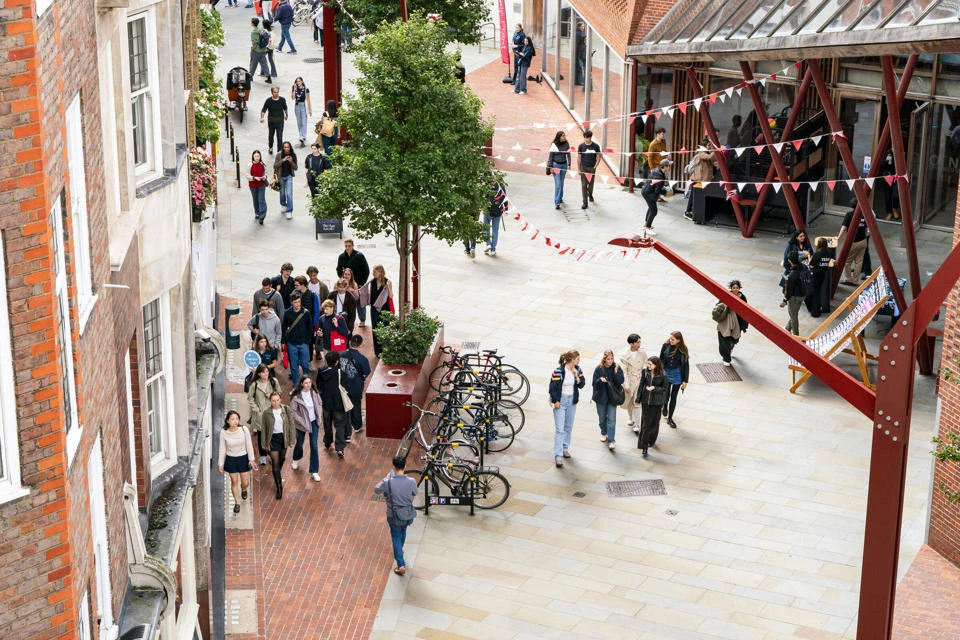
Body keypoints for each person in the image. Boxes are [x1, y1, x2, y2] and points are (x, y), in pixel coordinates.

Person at [373, 456, 419, 576]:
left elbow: (376, 490)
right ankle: (400, 550)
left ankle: (401, 564)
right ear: (405, 466)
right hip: (407, 513)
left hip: (393, 514)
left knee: (396, 537)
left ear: (394, 466)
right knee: (403, 531)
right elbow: (415, 492)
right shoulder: (411, 481)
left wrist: (386, 477)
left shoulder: (388, 482)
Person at [548, 350, 585, 468]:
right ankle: (558, 456)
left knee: (568, 427)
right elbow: (552, 388)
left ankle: (565, 448)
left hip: (572, 401)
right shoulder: (558, 371)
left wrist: (576, 375)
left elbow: (582, 385)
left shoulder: (578, 369)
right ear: (571, 359)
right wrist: (556, 401)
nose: (579, 361)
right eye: (578, 359)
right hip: (561, 401)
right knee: (560, 429)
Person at [218, 410, 258, 514]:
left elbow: (249, 445)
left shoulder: (243, 429)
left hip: (243, 458)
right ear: (227, 421)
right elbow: (222, 448)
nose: (235, 421)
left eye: (237, 419)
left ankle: (243, 490)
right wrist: (220, 464)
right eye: (232, 419)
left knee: (245, 482)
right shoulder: (223, 432)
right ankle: (237, 502)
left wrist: (251, 459)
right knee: (234, 481)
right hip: (231, 459)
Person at [259, 392, 295, 499]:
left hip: (283, 438)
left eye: (277, 400)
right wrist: (264, 443)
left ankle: (277, 473)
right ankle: (279, 487)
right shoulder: (266, 413)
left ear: (280, 400)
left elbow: (291, 424)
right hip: (272, 439)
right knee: (275, 462)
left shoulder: (286, 409)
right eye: (273, 400)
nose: (275, 402)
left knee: (282, 458)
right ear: (270, 401)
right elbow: (264, 428)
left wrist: (292, 440)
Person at [317, 350, 351, 458]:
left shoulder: (321, 372)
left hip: (326, 403)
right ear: (337, 361)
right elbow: (346, 386)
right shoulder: (340, 373)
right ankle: (340, 448)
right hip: (338, 403)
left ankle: (327, 441)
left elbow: (319, 386)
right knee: (340, 425)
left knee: (327, 424)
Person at [290, 376, 324, 481]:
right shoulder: (296, 397)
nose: (308, 385)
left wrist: (319, 417)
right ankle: (295, 459)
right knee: (299, 442)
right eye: (306, 383)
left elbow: (319, 404)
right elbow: (293, 412)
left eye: (309, 382)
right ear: (301, 384)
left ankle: (314, 471)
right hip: (301, 424)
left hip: (313, 422)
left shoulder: (315, 393)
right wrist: (302, 421)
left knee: (314, 445)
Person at [248, 364, 281, 465]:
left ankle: (272, 454)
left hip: (272, 412)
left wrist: (271, 396)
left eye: (267, 372)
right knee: (261, 435)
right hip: (260, 414)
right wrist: (256, 409)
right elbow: (250, 398)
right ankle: (262, 455)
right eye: (263, 372)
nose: (266, 374)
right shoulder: (255, 385)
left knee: (272, 434)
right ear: (258, 373)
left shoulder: (273, 381)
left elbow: (279, 393)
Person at [592, 350, 624, 451]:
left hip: (612, 398)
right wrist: (600, 380)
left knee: (611, 419)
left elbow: (620, 381)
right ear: (604, 359)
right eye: (608, 359)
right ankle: (603, 432)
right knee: (602, 418)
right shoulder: (599, 369)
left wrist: (615, 372)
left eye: (612, 359)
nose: (610, 361)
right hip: (601, 397)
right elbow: (594, 384)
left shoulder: (616, 367)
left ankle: (611, 440)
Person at [637, 357, 668, 457]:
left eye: (650, 364)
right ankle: (644, 446)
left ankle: (652, 440)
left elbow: (665, 389)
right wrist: (638, 399)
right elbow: (641, 385)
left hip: (657, 403)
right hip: (646, 401)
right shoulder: (645, 372)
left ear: (656, 365)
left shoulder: (663, 374)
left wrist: (654, 388)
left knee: (654, 423)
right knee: (645, 424)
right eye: (648, 364)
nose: (648, 366)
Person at [658, 331, 689, 429]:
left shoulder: (683, 350)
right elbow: (661, 359)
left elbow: (686, 365)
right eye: (670, 338)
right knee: (666, 393)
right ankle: (665, 406)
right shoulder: (665, 346)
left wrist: (685, 381)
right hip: (666, 372)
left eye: (673, 339)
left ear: (678, 340)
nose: (671, 340)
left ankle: (670, 418)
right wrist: (659, 372)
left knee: (674, 396)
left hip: (677, 374)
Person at [341, 335, 371, 433]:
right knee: (356, 406)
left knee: (344, 406)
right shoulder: (362, 359)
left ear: (350, 342)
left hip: (343, 385)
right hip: (356, 386)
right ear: (360, 345)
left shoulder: (340, 354)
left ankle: (346, 429)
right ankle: (357, 426)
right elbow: (367, 371)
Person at [282, 291, 313, 386]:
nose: (297, 304)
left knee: (305, 365)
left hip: (303, 343)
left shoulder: (306, 313)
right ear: (292, 302)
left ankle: (307, 385)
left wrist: (307, 341)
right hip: (292, 344)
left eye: (299, 302)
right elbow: (283, 328)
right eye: (295, 302)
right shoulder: (287, 313)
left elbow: (310, 328)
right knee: (294, 367)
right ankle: (296, 385)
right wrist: (283, 342)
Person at [619, 333, 647, 433]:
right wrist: (626, 384)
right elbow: (624, 372)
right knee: (629, 402)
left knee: (637, 402)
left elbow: (645, 365)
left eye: (640, 341)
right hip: (629, 382)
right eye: (637, 342)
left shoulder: (642, 353)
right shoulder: (624, 356)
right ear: (631, 344)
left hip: (639, 380)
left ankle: (637, 423)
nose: (640, 343)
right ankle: (631, 417)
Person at [717, 280, 749, 367]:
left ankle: (731, 347)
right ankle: (726, 358)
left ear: (739, 288)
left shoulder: (742, 297)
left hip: (738, 323)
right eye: (733, 288)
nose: (735, 289)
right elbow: (718, 306)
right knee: (724, 340)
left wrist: (745, 325)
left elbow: (746, 311)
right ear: (731, 288)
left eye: (737, 288)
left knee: (735, 339)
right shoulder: (726, 295)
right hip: (726, 322)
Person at [837, 198, 868, 285]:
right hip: (863, 241)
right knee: (859, 261)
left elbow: (844, 227)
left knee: (847, 261)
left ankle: (847, 279)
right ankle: (855, 280)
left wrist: (838, 237)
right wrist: (865, 238)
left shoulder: (849, 215)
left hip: (853, 242)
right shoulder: (864, 215)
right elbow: (866, 229)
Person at [336, 239, 369, 324]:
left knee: (360, 304)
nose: (347, 248)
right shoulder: (341, 257)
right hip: (345, 285)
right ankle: (346, 319)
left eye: (349, 246)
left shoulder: (359, 256)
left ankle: (362, 320)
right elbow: (339, 269)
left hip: (358, 284)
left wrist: (361, 283)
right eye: (346, 246)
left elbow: (366, 270)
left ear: (353, 246)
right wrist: (342, 280)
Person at [364, 265, 394, 357]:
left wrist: (388, 287)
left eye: (375, 272)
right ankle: (377, 351)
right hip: (374, 309)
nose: (373, 273)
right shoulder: (372, 282)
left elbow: (391, 296)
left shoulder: (387, 282)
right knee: (375, 329)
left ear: (380, 272)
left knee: (385, 328)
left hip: (385, 310)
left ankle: (385, 349)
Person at [684, 138, 716, 221]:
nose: (710, 147)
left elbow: (711, 161)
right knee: (693, 196)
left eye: (710, 145)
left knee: (695, 196)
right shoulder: (701, 152)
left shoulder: (706, 152)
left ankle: (691, 211)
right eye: (708, 145)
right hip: (697, 178)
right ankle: (687, 212)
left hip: (702, 178)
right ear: (704, 145)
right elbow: (708, 157)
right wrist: (717, 150)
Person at [641, 159, 672, 234]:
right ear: (664, 167)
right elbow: (657, 191)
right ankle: (647, 228)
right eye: (669, 166)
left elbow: (656, 184)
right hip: (649, 193)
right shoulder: (660, 176)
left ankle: (645, 225)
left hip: (646, 190)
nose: (670, 167)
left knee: (651, 208)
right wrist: (666, 193)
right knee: (654, 211)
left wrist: (662, 187)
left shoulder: (657, 170)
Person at [780, 251, 807, 336]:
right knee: (794, 313)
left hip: (794, 298)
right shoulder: (803, 267)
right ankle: (787, 328)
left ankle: (796, 335)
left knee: (793, 316)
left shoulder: (792, 275)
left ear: (790, 261)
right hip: (803, 295)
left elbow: (789, 290)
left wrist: (784, 301)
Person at [809, 237, 835, 317]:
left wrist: (809, 257)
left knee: (814, 293)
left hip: (815, 275)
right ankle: (818, 308)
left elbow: (811, 265)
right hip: (822, 275)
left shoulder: (817, 254)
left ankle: (815, 311)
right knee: (818, 292)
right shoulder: (828, 253)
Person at [259, 86, 288, 155]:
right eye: (275, 92)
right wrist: (262, 117)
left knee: (279, 137)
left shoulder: (282, 100)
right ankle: (270, 147)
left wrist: (286, 115)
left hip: (280, 121)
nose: (276, 93)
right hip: (271, 121)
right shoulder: (268, 100)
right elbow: (264, 110)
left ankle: (279, 151)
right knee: (271, 136)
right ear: (272, 92)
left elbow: (285, 108)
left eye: (277, 92)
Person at [547, 131, 571, 210]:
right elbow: (550, 157)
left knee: (562, 182)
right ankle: (557, 202)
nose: (564, 137)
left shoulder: (566, 143)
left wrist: (569, 164)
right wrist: (550, 167)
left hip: (564, 165)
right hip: (556, 165)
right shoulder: (554, 145)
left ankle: (560, 197)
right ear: (559, 137)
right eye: (563, 136)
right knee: (558, 184)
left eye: (565, 136)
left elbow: (568, 154)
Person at [274, 141, 298, 219]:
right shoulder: (279, 154)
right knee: (282, 194)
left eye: (288, 147)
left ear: (290, 147)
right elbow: (275, 166)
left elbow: (295, 168)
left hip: (289, 177)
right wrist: (283, 160)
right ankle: (283, 204)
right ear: (283, 148)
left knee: (289, 194)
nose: (286, 149)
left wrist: (291, 162)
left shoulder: (293, 155)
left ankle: (289, 211)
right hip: (280, 177)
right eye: (285, 147)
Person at [578, 130, 601, 210]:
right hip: (583, 167)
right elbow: (579, 158)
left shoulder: (596, 146)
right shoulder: (581, 146)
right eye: (585, 137)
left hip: (592, 167)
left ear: (591, 137)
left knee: (590, 184)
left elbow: (599, 157)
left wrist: (595, 166)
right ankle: (585, 202)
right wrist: (579, 168)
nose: (586, 139)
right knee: (584, 185)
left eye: (588, 138)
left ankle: (590, 194)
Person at [484, 180, 507, 256]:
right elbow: (505, 198)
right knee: (495, 230)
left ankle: (488, 244)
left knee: (486, 227)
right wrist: (505, 209)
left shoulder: (488, 186)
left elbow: (485, 197)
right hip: (498, 211)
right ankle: (493, 249)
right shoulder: (501, 187)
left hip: (488, 210)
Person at [248, 150, 269, 224]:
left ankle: (262, 216)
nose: (257, 158)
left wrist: (265, 176)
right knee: (255, 200)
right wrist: (254, 178)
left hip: (261, 184)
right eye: (255, 156)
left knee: (261, 200)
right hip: (253, 185)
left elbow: (266, 172)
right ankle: (257, 212)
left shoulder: (262, 164)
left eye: (258, 156)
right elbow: (247, 175)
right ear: (253, 157)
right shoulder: (250, 165)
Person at [290, 77, 312, 146]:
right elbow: (293, 98)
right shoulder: (295, 89)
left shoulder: (306, 89)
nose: (298, 83)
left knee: (304, 121)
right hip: (297, 106)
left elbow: (308, 99)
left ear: (302, 81)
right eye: (297, 81)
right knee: (299, 122)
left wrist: (310, 109)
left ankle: (302, 136)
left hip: (303, 106)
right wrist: (294, 89)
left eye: (299, 81)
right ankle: (302, 135)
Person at [249, 18, 271, 83]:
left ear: (253, 23)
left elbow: (255, 42)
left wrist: (252, 48)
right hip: (263, 50)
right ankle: (268, 77)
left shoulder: (254, 32)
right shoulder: (261, 29)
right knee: (264, 64)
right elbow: (268, 34)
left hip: (256, 51)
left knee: (253, 64)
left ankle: (250, 76)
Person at [574, 22, 587, 87]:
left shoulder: (581, 33)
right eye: (582, 26)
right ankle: (578, 81)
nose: (583, 27)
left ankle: (580, 80)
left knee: (581, 66)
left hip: (582, 51)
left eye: (584, 26)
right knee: (579, 66)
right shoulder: (578, 33)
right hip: (580, 51)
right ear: (579, 27)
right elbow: (577, 44)